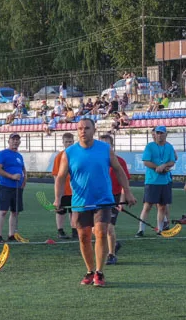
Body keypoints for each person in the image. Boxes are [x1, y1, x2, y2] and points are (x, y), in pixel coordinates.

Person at [54, 118, 136, 287]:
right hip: (80, 201)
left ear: (94, 130)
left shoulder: (105, 149)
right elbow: (61, 177)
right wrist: (58, 198)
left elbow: (119, 171)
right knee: (83, 237)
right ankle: (90, 271)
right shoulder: (69, 153)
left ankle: (99, 272)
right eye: (80, 128)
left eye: (87, 128)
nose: (83, 131)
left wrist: (127, 192)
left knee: (100, 232)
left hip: (103, 200)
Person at [136, 126, 177, 237]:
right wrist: (157, 167)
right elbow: (146, 161)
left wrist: (164, 166)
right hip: (152, 181)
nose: (159, 135)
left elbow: (172, 161)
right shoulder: (149, 146)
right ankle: (141, 229)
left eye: (161, 133)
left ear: (166, 134)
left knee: (162, 206)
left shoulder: (169, 147)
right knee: (147, 205)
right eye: (157, 133)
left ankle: (160, 229)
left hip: (165, 181)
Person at [98, 134, 130, 265]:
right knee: (97, 229)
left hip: (113, 197)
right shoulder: (96, 161)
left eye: (107, 144)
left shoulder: (119, 161)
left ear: (112, 146)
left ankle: (111, 255)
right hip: (98, 197)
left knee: (109, 227)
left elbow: (124, 181)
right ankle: (114, 244)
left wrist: (122, 200)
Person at [0, 133, 26, 242]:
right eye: (13, 139)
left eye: (17, 139)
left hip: (17, 188)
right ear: (9, 141)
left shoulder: (19, 156)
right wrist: (11, 176)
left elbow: (23, 169)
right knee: (3, 211)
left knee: (15, 212)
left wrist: (24, 180)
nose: (15, 141)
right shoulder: (2, 154)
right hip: (5, 186)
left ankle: (11, 235)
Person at [52, 133, 78, 240]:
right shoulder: (60, 156)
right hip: (64, 190)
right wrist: (58, 190)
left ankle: (74, 230)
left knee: (74, 211)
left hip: (75, 190)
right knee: (61, 211)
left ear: (73, 142)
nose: (69, 143)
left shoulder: (77, 154)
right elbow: (55, 174)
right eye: (66, 142)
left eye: (70, 141)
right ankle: (60, 230)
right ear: (63, 143)